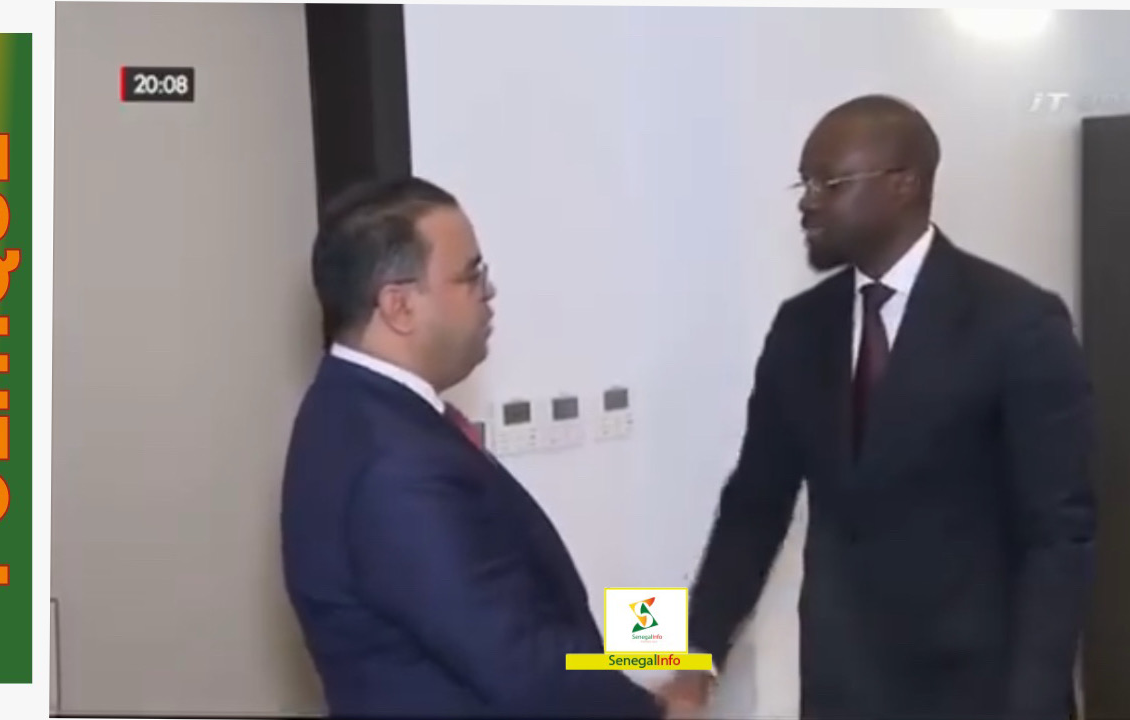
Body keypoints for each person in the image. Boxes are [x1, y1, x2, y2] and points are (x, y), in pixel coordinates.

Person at [672, 95, 1096, 719]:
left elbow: (1058, 536)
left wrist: (1032, 703)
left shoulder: (1017, 322)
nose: (807, 201)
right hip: (843, 687)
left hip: (979, 691)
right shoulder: (801, 328)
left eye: (829, 182)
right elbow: (753, 507)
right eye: (804, 182)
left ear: (905, 183)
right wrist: (690, 658)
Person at [280, 176, 672, 718]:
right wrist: (656, 710)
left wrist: (666, 646)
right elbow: (523, 667)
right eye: (471, 276)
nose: (489, 293)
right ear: (399, 306)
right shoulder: (398, 467)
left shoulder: (354, 406)